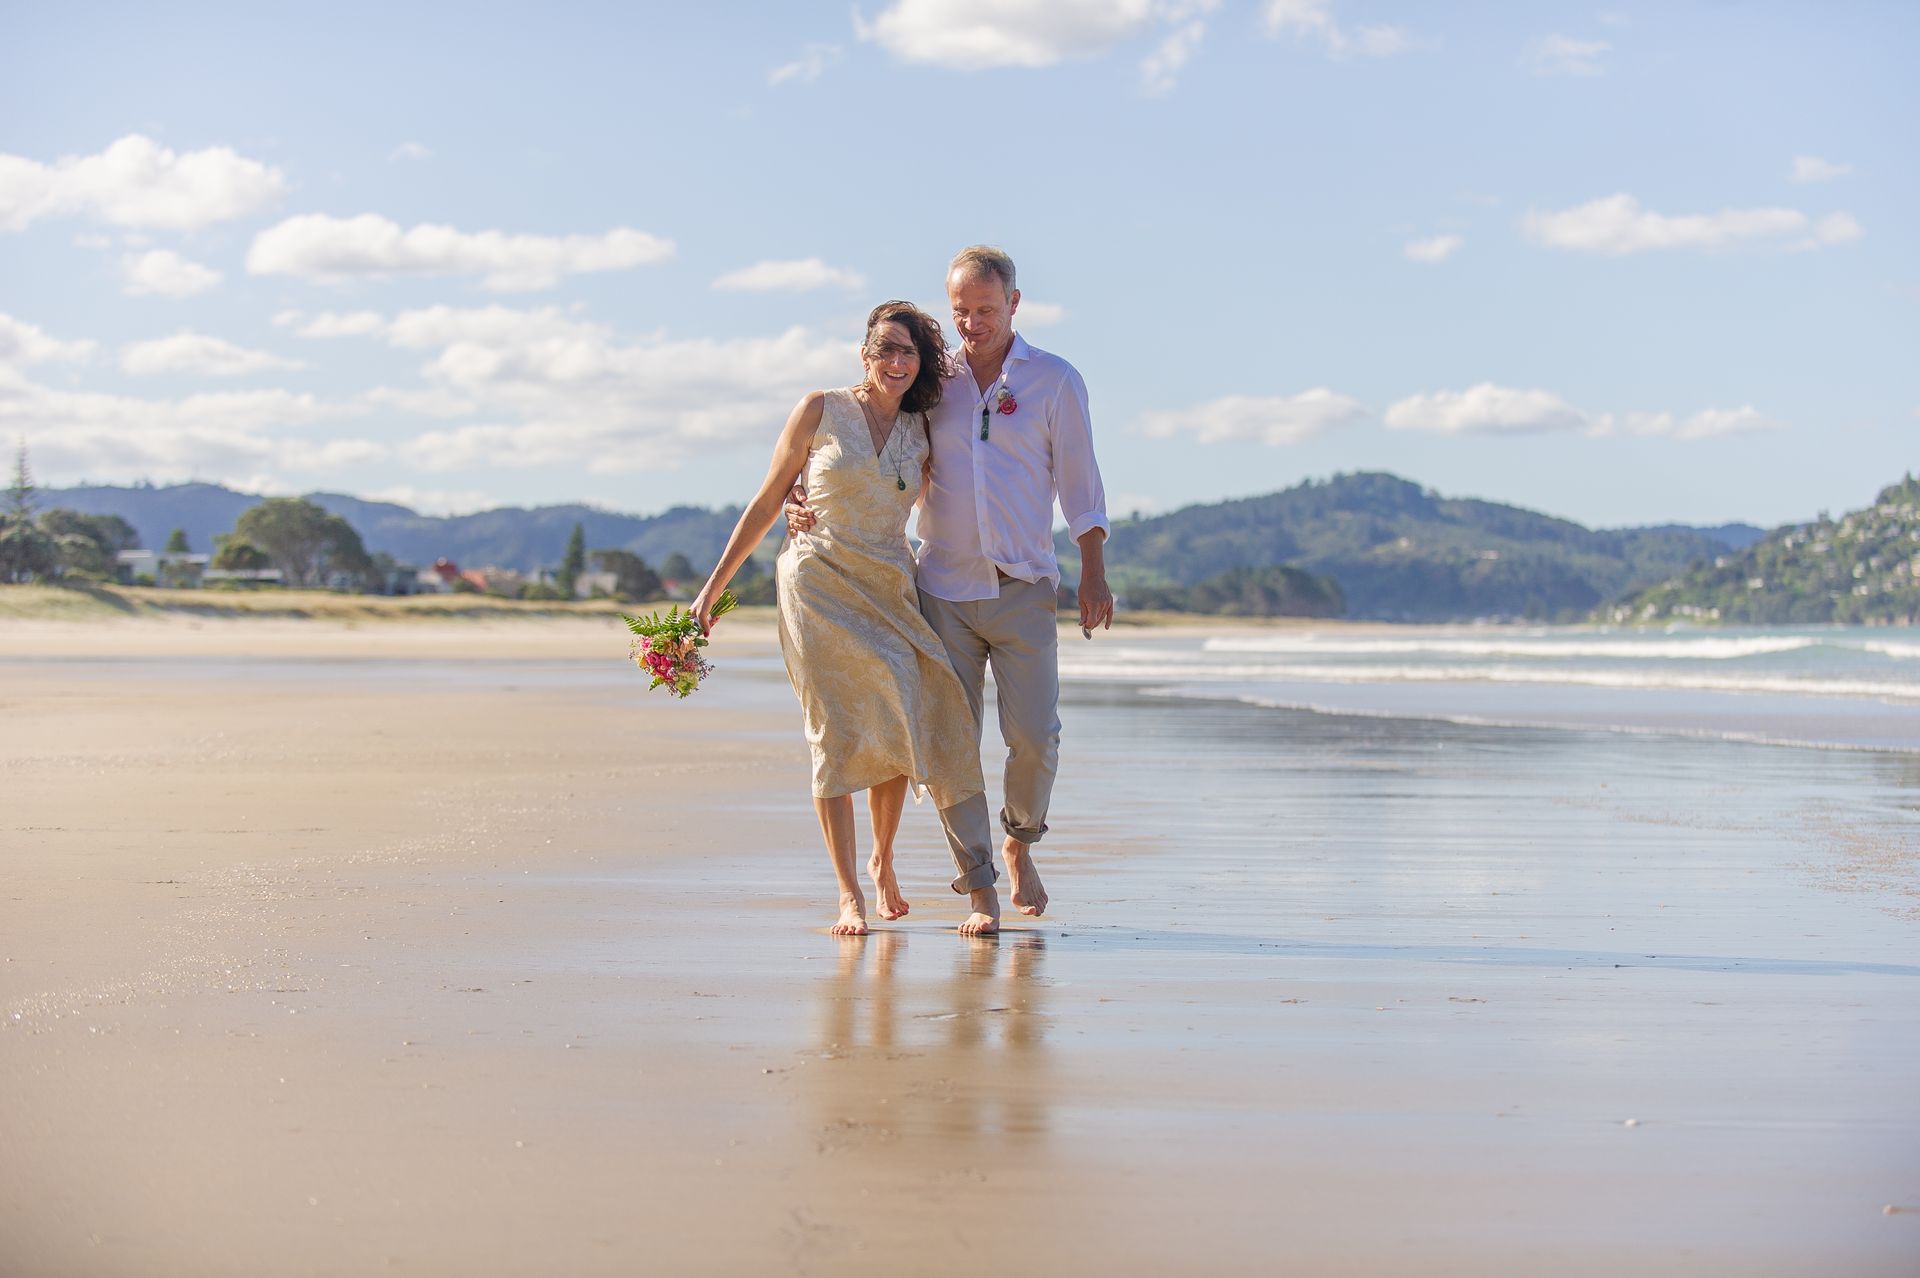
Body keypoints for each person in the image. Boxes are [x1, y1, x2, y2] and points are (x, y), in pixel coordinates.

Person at [790, 246, 1112, 936]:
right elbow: (870, 448)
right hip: (941, 588)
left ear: (1014, 304)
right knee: (951, 745)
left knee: (1035, 738)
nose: (972, 323)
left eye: (986, 309)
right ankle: (979, 887)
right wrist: (801, 496)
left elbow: (1080, 482)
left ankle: (1019, 842)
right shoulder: (934, 383)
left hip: (1024, 584)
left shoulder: (1055, 380)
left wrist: (1094, 569)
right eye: (961, 311)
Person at [691, 302, 985, 936]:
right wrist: (712, 590)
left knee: (899, 710)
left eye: (908, 351)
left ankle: (883, 861)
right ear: (864, 353)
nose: (896, 362)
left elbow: (960, 495)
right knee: (834, 731)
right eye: (886, 349)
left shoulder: (922, 426)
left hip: (889, 585)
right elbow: (768, 498)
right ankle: (849, 893)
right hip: (817, 581)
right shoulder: (819, 409)